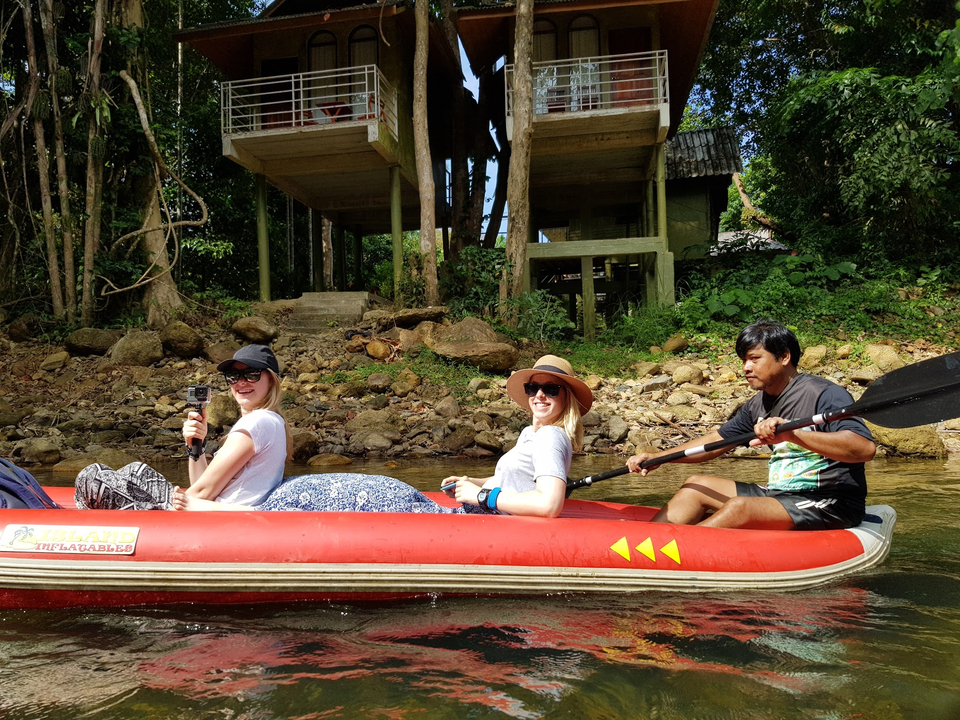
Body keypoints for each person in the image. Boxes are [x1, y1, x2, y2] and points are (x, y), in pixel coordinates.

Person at [172, 354, 593, 517]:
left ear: (566, 398)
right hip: (473, 506)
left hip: (479, 516)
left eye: (550, 389)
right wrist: (477, 482)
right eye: (534, 388)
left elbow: (549, 504)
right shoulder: (531, 434)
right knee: (377, 492)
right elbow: (520, 482)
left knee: (371, 494)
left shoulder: (552, 438)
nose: (539, 395)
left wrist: (484, 497)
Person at [626, 319, 876, 530]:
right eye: (744, 360)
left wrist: (793, 434)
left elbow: (864, 449)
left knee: (739, 507)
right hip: (780, 495)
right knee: (695, 485)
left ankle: (674, 552)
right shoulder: (757, 405)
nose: (746, 367)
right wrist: (659, 457)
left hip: (830, 501)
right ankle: (648, 544)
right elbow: (715, 442)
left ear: (784, 357)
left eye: (755, 358)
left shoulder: (825, 394)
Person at [75, 344, 290, 510]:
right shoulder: (272, 422)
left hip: (216, 521)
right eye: (233, 376)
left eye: (252, 374)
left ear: (271, 380)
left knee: (91, 477)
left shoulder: (258, 422)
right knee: (135, 471)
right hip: (212, 510)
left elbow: (204, 491)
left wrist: (176, 507)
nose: (241, 382)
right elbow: (203, 484)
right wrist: (196, 446)